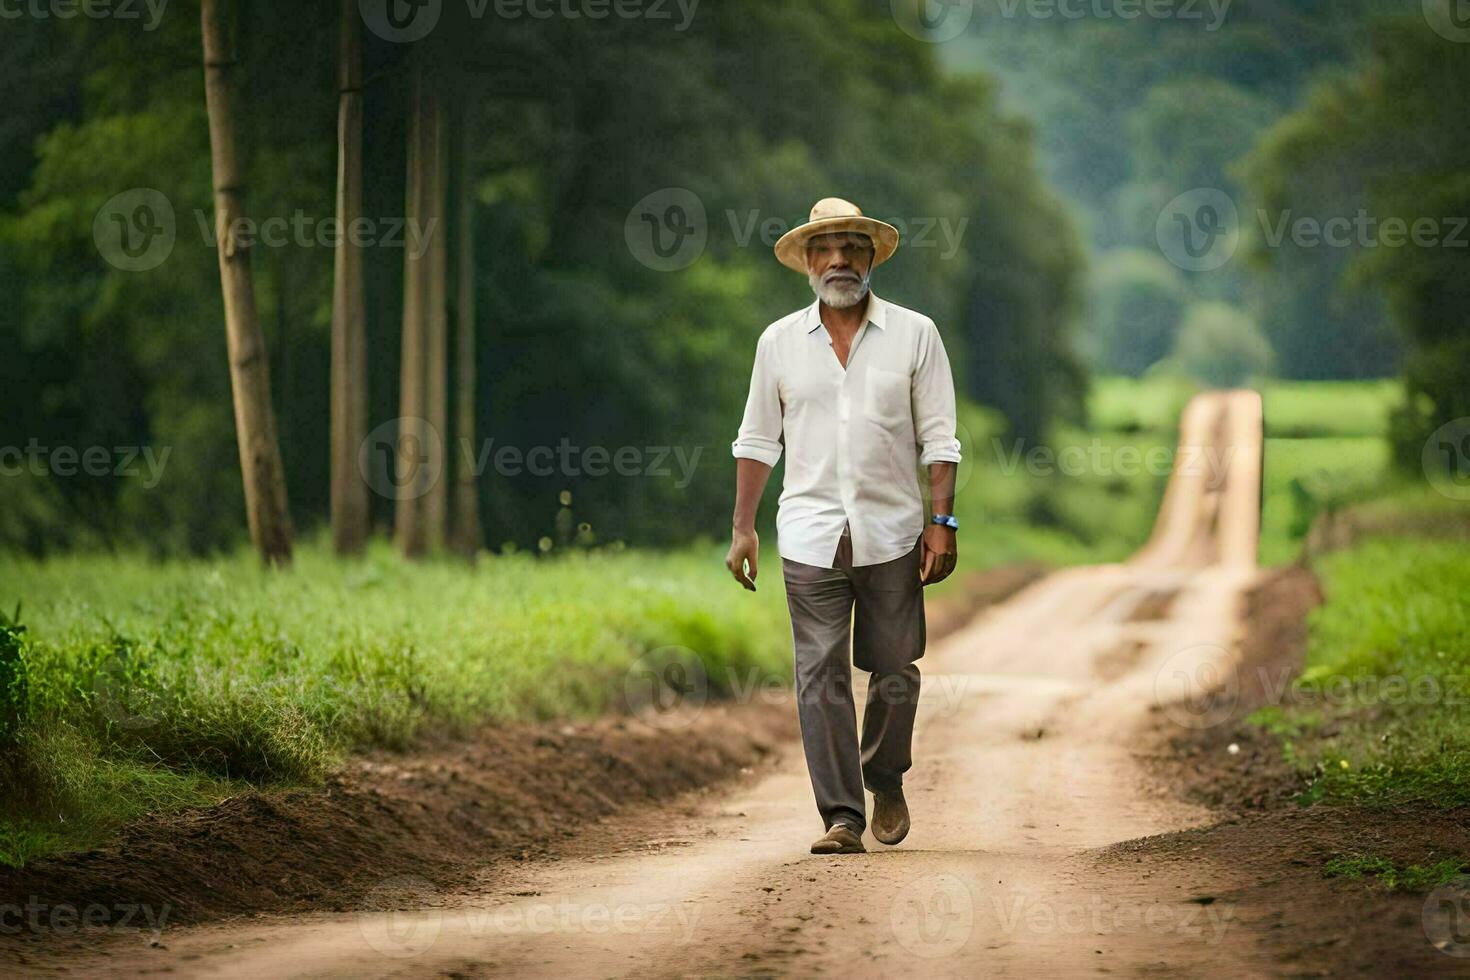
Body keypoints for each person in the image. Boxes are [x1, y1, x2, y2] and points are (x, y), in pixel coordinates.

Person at [726, 197, 962, 855]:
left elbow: (940, 438)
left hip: (892, 532)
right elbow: (755, 439)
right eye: (825, 249)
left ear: (870, 258)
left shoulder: (916, 335)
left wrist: (941, 521)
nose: (839, 260)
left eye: (852, 248)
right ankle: (842, 816)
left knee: (893, 670)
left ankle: (885, 777)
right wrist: (743, 528)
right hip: (808, 534)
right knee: (818, 672)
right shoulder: (778, 343)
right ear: (807, 261)